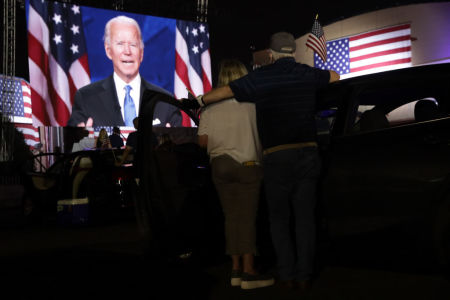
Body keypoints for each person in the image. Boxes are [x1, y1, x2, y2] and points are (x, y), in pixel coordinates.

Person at [181, 32, 340, 292]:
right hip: (308, 153)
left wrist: (199, 100)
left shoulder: (262, 77)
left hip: (277, 155)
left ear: (270, 54)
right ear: (293, 53)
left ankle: (286, 275)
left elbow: (227, 91)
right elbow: (335, 77)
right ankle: (304, 275)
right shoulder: (306, 74)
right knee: (304, 218)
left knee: (278, 219)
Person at [197, 59, 273, 289]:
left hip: (220, 165)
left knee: (231, 217)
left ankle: (235, 269)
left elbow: (202, 142)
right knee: (247, 217)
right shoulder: (254, 106)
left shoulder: (209, 109)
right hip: (248, 165)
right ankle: (250, 272)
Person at [67, 15, 181, 128]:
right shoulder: (86, 98)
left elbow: (183, 144)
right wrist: (82, 140)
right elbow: (71, 144)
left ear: (141, 53)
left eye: (133, 44)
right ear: (108, 51)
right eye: (120, 44)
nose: (127, 51)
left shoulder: (166, 102)